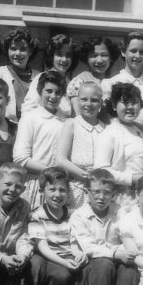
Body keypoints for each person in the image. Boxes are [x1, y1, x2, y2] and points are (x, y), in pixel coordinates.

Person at [69, 168, 138, 285]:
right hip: (93, 266)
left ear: (113, 194)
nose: (101, 197)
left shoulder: (120, 212)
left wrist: (119, 251)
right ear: (87, 193)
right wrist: (115, 252)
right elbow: (90, 248)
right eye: (96, 192)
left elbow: (128, 236)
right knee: (103, 263)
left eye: (106, 193)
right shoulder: (79, 216)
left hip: (118, 260)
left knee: (130, 270)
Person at [23, 167, 87, 285]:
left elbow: (77, 239)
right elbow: (43, 247)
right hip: (51, 257)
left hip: (70, 256)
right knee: (61, 275)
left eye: (62, 190)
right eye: (52, 189)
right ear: (42, 191)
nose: (57, 194)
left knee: (84, 272)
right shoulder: (37, 215)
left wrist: (80, 253)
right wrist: (65, 262)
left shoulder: (73, 215)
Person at [12, 70, 67, 209]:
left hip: (59, 188)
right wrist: (50, 173)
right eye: (48, 91)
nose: (53, 96)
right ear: (39, 91)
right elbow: (20, 158)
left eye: (58, 92)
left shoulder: (65, 121)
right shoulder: (30, 118)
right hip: (35, 184)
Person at [54, 81, 106, 209]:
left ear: (100, 103)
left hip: (100, 190)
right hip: (76, 188)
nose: (89, 104)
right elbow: (61, 160)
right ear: (77, 101)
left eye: (94, 100)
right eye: (84, 99)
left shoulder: (106, 128)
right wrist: (87, 177)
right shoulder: (72, 124)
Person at [94, 82, 143, 207]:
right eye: (125, 103)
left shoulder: (140, 131)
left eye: (134, 103)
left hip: (142, 193)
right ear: (114, 105)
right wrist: (131, 178)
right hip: (121, 197)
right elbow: (101, 171)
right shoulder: (110, 133)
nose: (130, 107)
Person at [0, 28, 40, 121]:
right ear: (7, 51)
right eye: (13, 48)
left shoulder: (39, 76)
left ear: (30, 51)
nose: (18, 53)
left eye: (23, 49)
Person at [23, 33, 77, 118]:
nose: (64, 59)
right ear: (52, 56)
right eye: (59, 54)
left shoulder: (71, 83)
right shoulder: (43, 78)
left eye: (68, 55)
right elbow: (28, 109)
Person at [68, 36, 117, 116]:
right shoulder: (79, 82)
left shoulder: (114, 82)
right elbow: (78, 116)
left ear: (110, 57)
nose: (99, 60)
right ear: (86, 58)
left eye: (104, 55)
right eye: (94, 55)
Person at [102, 31, 143, 101]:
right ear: (123, 52)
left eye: (142, 52)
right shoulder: (110, 84)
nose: (138, 56)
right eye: (133, 51)